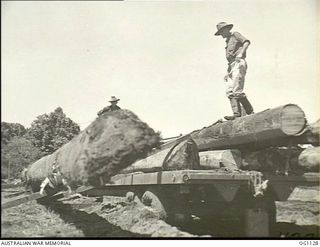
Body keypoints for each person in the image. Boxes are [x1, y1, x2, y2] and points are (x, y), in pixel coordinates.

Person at [215, 22, 254, 120]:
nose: (221, 35)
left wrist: (241, 53)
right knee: (229, 91)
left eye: (222, 32)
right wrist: (227, 72)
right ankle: (236, 114)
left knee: (237, 90)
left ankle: (249, 112)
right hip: (231, 66)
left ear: (227, 29)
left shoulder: (235, 34)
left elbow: (246, 42)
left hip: (238, 62)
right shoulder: (227, 41)